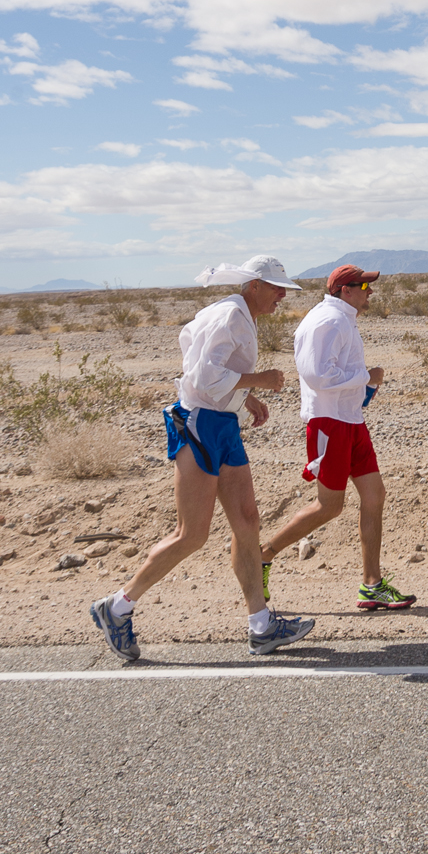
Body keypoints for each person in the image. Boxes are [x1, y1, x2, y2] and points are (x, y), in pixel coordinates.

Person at [90, 254, 316, 662]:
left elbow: (213, 373)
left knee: (247, 520)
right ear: (254, 286)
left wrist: (247, 399)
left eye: (285, 289)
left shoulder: (237, 314)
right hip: (198, 425)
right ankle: (117, 606)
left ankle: (261, 626)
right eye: (277, 288)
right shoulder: (230, 315)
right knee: (192, 534)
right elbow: (201, 378)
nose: (282, 296)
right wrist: (258, 380)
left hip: (221, 423)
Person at [259, 263, 415, 613]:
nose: (370, 292)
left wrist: (363, 384)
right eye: (364, 286)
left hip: (350, 420)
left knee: (374, 495)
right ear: (345, 290)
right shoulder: (327, 321)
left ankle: (372, 585)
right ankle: (263, 554)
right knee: (330, 506)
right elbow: (317, 376)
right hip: (328, 423)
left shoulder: (342, 318)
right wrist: (366, 375)